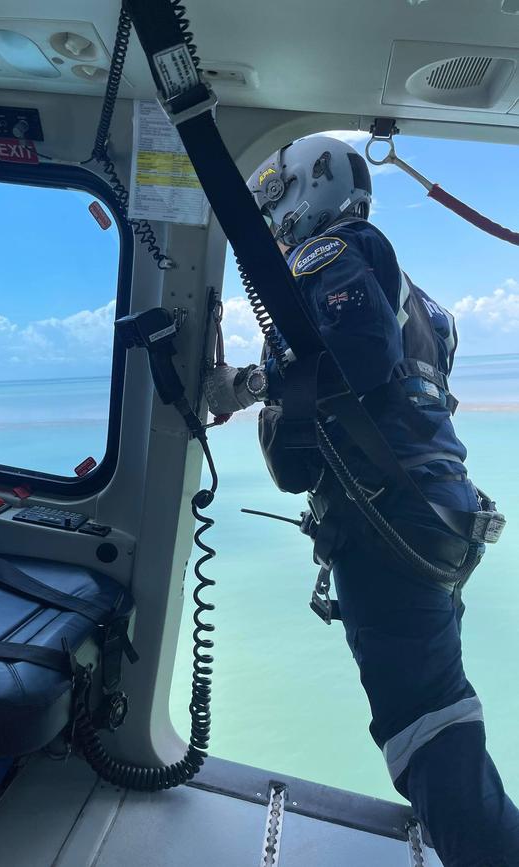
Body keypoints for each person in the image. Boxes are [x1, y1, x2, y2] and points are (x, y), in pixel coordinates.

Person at [204, 135, 519, 866]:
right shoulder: (423, 299)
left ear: (306, 195)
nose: (278, 226)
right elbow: (366, 377)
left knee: (427, 729)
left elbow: (359, 359)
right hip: (436, 519)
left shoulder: (332, 254)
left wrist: (250, 389)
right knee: (437, 705)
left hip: (391, 529)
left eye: (278, 205)